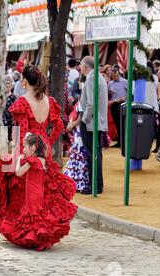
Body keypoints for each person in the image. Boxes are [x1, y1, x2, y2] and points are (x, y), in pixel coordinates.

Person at [0, 65, 77, 251]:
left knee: (20, 192)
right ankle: (40, 232)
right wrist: (47, 143)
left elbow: (22, 131)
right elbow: (59, 126)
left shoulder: (23, 101)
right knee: (43, 193)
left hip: (27, 148)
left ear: (24, 81)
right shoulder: (49, 101)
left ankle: (26, 232)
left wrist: (21, 152)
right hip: (43, 152)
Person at [79, 56, 108, 194]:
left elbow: (91, 103)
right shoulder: (99, 77)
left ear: (85, 66)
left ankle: (94, 185)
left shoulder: (91, 78)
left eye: (81, 66)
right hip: (97, 121)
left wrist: (83, 119)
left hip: (91, 122)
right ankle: (97, 184)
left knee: (92, 154)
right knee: (96, 153)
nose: (80, 68)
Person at [64, 102, 89, 192]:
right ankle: (77, 181)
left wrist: (72, 124)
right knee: (78, 154)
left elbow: (80, 117)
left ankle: (80, 182)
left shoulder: (82, 100)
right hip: (77, 131)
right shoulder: (80, 100)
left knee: (80, 153)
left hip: (80, 131)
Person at [108, 69, 128, 148]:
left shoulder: (125, 82)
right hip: (114, 105)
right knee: (117, 123)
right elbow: (108, 92)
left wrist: (123, 98)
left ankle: (124, 142)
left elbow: (130, 93)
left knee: (123, 123)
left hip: (122, 104)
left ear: (119, 74)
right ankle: (119, 141)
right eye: (113, 76)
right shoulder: (110, 83)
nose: (115, 77)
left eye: (116, 75)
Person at [2, 76, 16, 142]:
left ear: (11, 85)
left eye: (9, 83)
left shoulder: (14, 97)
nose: (7, 85)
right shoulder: (0, 96)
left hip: (10, 123)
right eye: (5, 83)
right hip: (1, 122)